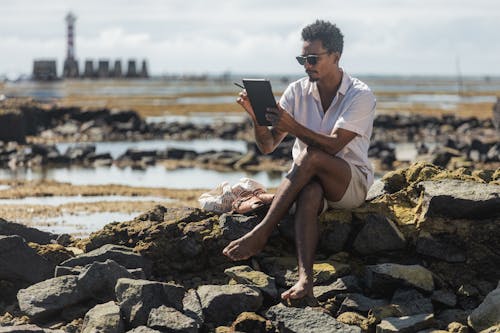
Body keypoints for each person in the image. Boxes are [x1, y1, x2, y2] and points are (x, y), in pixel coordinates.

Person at [223, 19, 376, 300]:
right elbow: (268, 145)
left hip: (349, 183)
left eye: (313, 58)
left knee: (313, 154)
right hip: (310, 180)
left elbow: (333, 146)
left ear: (336, 57)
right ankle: (306, 280)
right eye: (302, 59)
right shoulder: (296, 91)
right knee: (310, 191)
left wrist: (293, 126)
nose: (306, 65)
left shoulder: (360, 95)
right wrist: (257, 120)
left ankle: (262, 231)